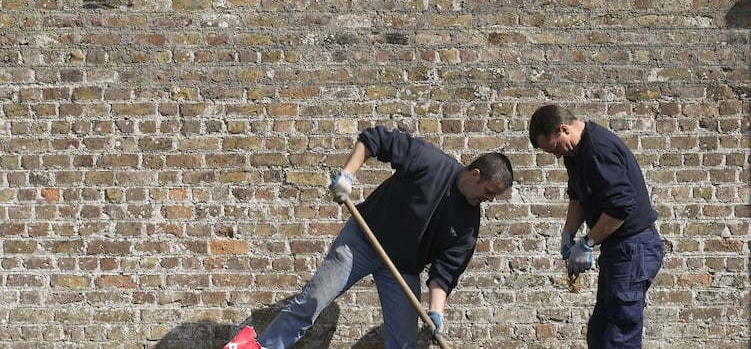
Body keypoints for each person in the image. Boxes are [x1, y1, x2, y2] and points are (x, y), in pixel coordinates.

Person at [224, 125, 514, 349]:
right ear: (475, 174)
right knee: (312, 301)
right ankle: (260, 346)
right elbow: (375, 139)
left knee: (403, 342)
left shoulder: (467, 225)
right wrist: (347, 176)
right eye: (489, 192)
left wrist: (436, 312)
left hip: (401, 269)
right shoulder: (429, 162)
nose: (489, 200)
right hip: (362, 241)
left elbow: (446, 270)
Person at [528, 104, 663, 349]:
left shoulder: (598, 150)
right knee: (599, 334)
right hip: (619, 251)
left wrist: (588, 241)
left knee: (620, 336)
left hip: (634, 249)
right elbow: (578, 195)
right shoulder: (575, 153)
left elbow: (621, 208)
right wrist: (568, 233)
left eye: (554, 148)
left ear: (564, 129)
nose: (556, 155)